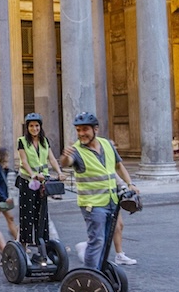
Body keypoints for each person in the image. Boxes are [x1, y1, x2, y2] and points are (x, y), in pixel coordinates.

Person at [60, 112, 140, 270]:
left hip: (111, 200)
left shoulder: (107, 144)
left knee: (105, 239)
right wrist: (64, 157)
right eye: (78, 130)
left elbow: (118, 166)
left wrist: (130, 183)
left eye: (85, 129)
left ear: (95, 129)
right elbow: (66, 163)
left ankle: (99, 270)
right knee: (97, 240)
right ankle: (91, 275)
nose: (81, 133)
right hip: (92, 204)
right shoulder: (76, 151)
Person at [16, 113, 64, 255]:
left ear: (40, 127)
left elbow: (52, 159)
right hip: (27, 181)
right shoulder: (22, 141)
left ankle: (42, 245)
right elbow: (24, 160)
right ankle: (23, 247)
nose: (34, 128)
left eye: (36, 125)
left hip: (42, 181)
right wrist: (32, 174)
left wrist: (59, 172)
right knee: (27, 214)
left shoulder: (45, 141)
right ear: (27, 127)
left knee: (42, 213)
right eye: (31, 126)